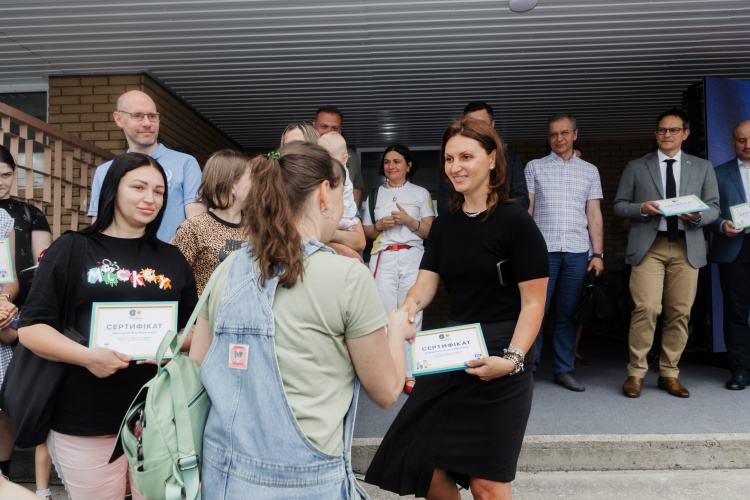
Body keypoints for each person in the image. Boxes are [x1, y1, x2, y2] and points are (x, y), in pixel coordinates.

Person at [189, 142, 415, 498]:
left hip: (222, 475)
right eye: (341, 195)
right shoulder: (348, 276)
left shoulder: (228, 269)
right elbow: (386, 391)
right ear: (325, 192)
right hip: (306, 482)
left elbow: (198, 369)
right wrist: (398, 332)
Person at [365, 119, 549, 500]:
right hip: (452, 349)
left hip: (503, 353)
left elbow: (534, 302)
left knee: (488, 486)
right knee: (425, 468)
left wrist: (512, 360)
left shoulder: (517, 222)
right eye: (449, 158)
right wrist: (407, 308)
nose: (455, 167)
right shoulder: (445, 226)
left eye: (467, 156)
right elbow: (426, 282)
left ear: (492, 159)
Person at [18, 152, 198, 499]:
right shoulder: (72, 248)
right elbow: (32, 328)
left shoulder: (172, 258)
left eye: (159, 191)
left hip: (158, 417)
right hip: (84, 417)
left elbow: (192, 328)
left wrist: (174, 346)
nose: (150, 198)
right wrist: (88, 357)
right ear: (114, 189)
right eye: (139, 187)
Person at [614, 108, 719, 398]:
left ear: (685, 133)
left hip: (688, 246)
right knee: (646, 308)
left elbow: (714, 207)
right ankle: (636, 372)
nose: (667, 135)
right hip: (650, 247)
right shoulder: (637, 166)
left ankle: (669, 373)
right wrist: (640, 208)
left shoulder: (702, 166)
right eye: (662, 130)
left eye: (674, 130)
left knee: (680, 313)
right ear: (656, 133)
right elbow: (619, 205)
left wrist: (697, 216)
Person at [525, 113, 604, 392]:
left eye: (564, 133)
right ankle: (527, 371)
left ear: (575, 134)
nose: (559, 139)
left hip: (577, 251)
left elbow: (594, 214)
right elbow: (528, 211)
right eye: (553, 134)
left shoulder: (589, 170)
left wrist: (598, 254)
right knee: (536, 313)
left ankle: (563, 370)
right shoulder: (534, 167)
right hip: (541, 252)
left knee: (569, 315)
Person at [0, 145, 53, 498]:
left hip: (10, 312)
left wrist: (6, 306)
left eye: (5, 174)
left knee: (4, 403)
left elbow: (33, 268)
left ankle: (3, 476)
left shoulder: (19, 216)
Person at [362, 144, 435, 394]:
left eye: (396, 161)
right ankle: (387, 371)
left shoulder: (420, 193)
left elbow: (430, 232)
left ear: (408, 166)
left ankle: (410, 373)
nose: (391, 166)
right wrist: (380, 225)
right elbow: (365, 233)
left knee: (411, 313)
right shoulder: (374, 194)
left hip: (413, 255)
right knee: (382, 314)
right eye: (386, 162)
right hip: (383, 257)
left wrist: (409, 221)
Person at [88, 90, 206, 242]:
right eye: (137, 116)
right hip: (123, 262)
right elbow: (100, 227)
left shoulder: (185, 163)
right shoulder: (105, 171)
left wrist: (163, 256)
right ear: (119, 119)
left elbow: (196, 224)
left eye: (152, 116)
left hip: (172, 259)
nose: (147, 123)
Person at [171, 149, 250, 295]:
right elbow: (173, 279)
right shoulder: (194, 228)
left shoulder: (257, 230)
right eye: (252, 178)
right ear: (233, 186)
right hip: (204, 316)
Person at [710, 119, 750, 390]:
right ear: (732, 142)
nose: (747, 145)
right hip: (735, 249)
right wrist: (721, 225)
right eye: (741, 140)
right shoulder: (717, 173)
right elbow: (708, 211)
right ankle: (739, 371)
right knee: (735, 312)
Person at [437, 101, 529, 214]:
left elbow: (521, 199)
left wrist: (493, 217)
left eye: (481, 124)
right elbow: (444, 204)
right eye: (470, 124)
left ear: (492, 159)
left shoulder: (512, 160)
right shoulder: (453, 164)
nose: (475, 129)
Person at [318, 132, 366, 259]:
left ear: (344, 160)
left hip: (346, 219)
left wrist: (327, 233)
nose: (324, 163)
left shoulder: (340, 176)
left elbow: (360, 242)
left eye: (328, 158)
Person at [313, 105, 364, 206]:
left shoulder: (350, 156)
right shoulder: (304, 154)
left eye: (334, 128)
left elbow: (356, 190)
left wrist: (354, 218)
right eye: (324, 126)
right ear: (314, 126)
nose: (329, 132)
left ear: (340, 131)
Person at [0, 207, 18, 485]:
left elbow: (9, 279)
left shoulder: (1, 218)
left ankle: (4, 474)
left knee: (3, 410)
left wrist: (3, 302)